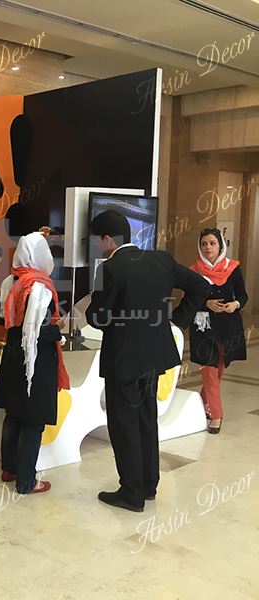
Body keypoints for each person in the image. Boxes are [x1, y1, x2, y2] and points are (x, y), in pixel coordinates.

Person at [86, 210, 209, 512]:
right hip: (155, 355)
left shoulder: (110, 269)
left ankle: (131, 493)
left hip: (123, 359)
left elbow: (97, 318)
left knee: (124, 424)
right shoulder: (161, 259)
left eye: (98, 241)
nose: (98, 247)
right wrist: (177, 321)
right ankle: (148, 484)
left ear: (107, 239)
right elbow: (201, 286)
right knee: (145, 418)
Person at [0, 232, 69, 495]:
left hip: (12, 354)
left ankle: (9, 469)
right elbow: (39, 331)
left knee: (13, 413)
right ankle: (26, 481)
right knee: (33, 420)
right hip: (34, 359)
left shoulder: (9, 281)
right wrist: (59, 329)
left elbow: (1, 319)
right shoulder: (39, 286)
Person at [188, 228, 248, 434]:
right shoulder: (194, 271)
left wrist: (235, 305)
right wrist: (206, 303)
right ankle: (216, 415)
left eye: (212, 243)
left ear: (220, 246)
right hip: (203, 326)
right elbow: (189, 299)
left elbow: (243, 295)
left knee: (219, 369)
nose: (208, 248)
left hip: (228, 326)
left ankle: (202, 403)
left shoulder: (233, 268)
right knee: (209, 369)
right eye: (204, 244)